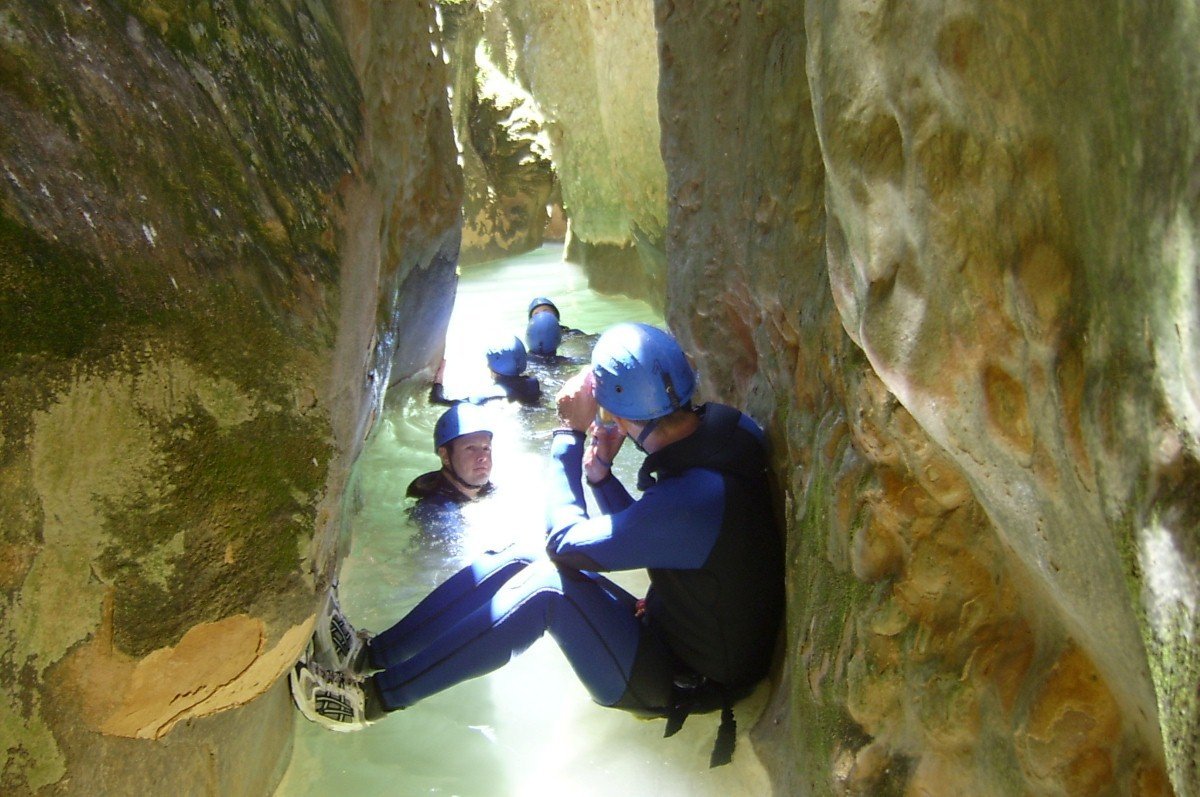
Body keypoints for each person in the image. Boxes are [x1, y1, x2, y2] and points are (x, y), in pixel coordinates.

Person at [290, 323, 784, 765]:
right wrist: (601, 476)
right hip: (685, 629)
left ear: (611, 405)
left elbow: (567, 543)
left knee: (548, 587)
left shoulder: (692, 500)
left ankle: (370, 700)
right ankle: (370, 653)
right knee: (525, 552)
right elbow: (658, 535)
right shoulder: (722, 430)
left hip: (685, 678)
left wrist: (568, 436)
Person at [405, 403, 497, 536]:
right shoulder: (437, 514)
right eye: (470, 448)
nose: (483, 457)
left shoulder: (487, 489)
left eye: (486, 448)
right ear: (445, 456)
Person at [430, 334, 541, 407]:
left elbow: (437, 401)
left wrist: (438, 380)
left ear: (491, 365)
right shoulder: (533, 385)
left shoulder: (482, 397)